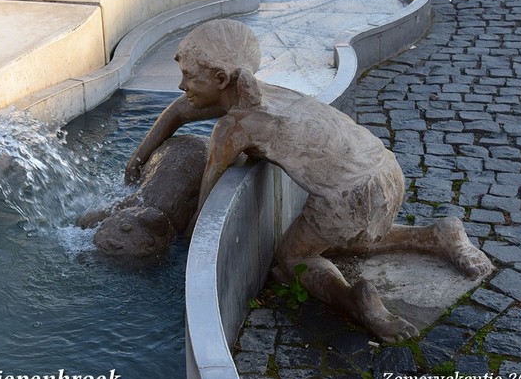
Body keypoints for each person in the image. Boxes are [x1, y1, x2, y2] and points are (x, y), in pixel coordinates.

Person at [125, 18, 494, 343]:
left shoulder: (233, 126)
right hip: (385, 171)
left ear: (221, 78)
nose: (180, 84)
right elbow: (180, 110)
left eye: (189, 76)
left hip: (347, 199)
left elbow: (206, 203)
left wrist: (181, 242)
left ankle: (355, 299)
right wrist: (137, 160)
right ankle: (438, 233)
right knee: (355, 239)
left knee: (292, 260)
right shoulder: (268, 92)